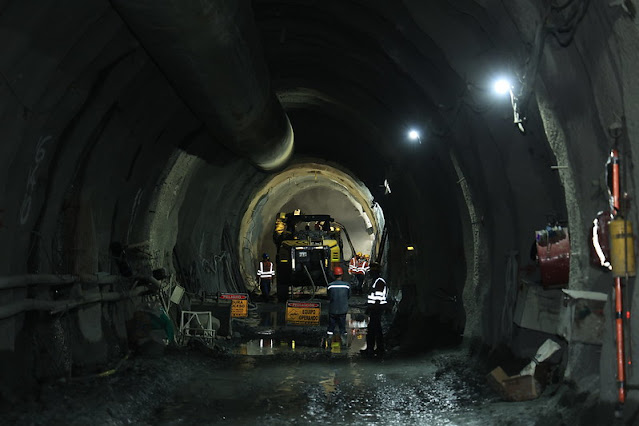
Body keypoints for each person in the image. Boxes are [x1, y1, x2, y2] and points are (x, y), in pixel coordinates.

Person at [361, 262, 387, 357]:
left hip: (377, 309)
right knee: (375, 330)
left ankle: (374, 349)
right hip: (375, 309)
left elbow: (378, 299)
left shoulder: (379, 282)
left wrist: (371, 308)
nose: (370, 273)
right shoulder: (376, 281)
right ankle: (375, 349)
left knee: (373, 330)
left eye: (372, 271)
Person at [326, 266, 351, 345]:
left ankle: (329, 340)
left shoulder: (330, 286)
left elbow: (329, 297)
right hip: (343, 309)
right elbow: (349, 296)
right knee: (342, 326)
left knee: (331, 326)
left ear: (334, 275)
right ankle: (344, 341)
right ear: (342, 275)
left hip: (333, 309)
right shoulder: (347, 285)